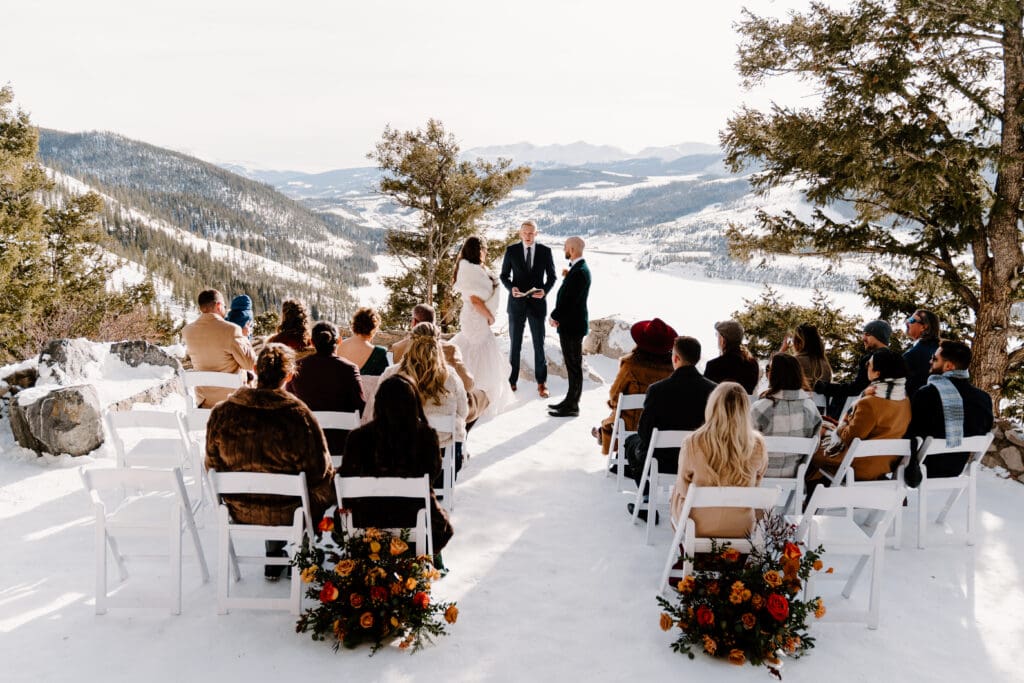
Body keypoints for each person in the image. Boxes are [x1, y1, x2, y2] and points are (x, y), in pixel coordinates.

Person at [204, 344, 334, 579]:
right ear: (290, 375)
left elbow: (211, 466)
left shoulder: (221, 413)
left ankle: (273, 554)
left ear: (254, 368)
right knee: (325, 484)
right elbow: (319, 470)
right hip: (290, 511)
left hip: (240, 509)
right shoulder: (299, 415)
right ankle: (305, 550)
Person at [339, 374, 454, 555]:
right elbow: (433, 473)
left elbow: (345, 476)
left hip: (366, 518)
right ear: (414, 402)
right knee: (440, 522)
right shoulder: (425, 436)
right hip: (412, 517)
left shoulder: (358, 437)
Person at [624, 336, 717, 517]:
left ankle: (646, 498)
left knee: (631, 442)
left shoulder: (657, 390)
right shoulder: (713, 390)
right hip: (698, 461)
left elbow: (644, 432)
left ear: (675, 358)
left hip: (661, 461)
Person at [669, 382, 768, 537]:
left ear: (712, 405)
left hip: (696, 526)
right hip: (742, 527)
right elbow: (756, 482)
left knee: (677, 489)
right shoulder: (758, 445)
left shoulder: (693, 442)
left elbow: (683, 489)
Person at [808, 348, 911, 483]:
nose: (866, 366)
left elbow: (849, 437)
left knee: (810, 449)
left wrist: (835, 428)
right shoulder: (904, 400)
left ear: (877, 373)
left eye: (869, 364)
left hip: (857, 466)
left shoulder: (869, 403)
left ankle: (812, 496)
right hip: (883, 465)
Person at [380, 324, 468, 471]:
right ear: (438, 344)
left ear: (410, 342)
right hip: (440, 461)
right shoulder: (451, 376)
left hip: (398, 459)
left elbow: (378, 411)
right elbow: (463, 412)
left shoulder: (391, 374)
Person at [391, 303, 491, 428]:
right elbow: (468, 385)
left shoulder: (398, 348)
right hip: (442, 411)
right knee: (481, 397)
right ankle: (460, 440)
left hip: (410, 409)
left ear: (414, 323)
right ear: (434, 323)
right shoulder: (450, 349)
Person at [905, 339, 993, 479]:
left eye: (934, 359)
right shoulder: (983, 398)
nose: (930, 362)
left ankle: (896, 497)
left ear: (948, 366)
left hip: (922, 468)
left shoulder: (927, 394)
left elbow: (911, 432)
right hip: (956, 468)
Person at [593, 317, 676, 455]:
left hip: (632, 425)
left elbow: (615, 394)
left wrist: (613, 405)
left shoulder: (631, 364)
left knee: (614, 418)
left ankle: (605, 436)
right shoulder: (672, 369)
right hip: (660, 427)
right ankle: (603, 433)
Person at [451, 236, 513, 417]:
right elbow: (476, 300)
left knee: (473, 348)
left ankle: (471, 390)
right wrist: (490, 316)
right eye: (484, 249)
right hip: (476, 316)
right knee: (477, 348)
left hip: (475, 315)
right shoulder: (471, 270)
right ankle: (475, 392)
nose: (486, 252)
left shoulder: (475, 269)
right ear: (479, 251)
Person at [285, 321, 366, 457]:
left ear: (312, 342)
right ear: (339, 341)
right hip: (342, 445)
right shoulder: (349, 368)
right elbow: (360, 405)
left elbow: (290, 402)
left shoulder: (298, 367)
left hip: (309, 444)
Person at [500, 219, 557, 397]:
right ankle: (512, 380)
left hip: (537, 305)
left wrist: (544, 291)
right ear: (520, 233)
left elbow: (552, 277)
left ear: (536, 234)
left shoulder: (545, 251)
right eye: (525, 233)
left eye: (531, 233)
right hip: (516, 304)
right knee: (515, 344)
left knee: (539, 345)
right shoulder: (511, 251)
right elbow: (503, 276)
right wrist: (512, 288)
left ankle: (542, 383)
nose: (528, 236)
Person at [181, 288, 257, 407]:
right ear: (218, 305)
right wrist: (244, 337)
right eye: (225, 306)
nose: (226, 310)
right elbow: (249, 364)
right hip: (232, 402)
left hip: (204, 403)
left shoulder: (187, 331)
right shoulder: (232, 330)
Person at [751, 353, 822, 477]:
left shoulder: (760, 409)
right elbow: (814, 448)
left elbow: (745, 447)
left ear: (775, 375)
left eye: (769, 369)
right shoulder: (810, 409)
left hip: (760, 481)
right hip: (794, 483)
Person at [548, 236, 592, 417]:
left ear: (572, 249)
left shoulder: (580, 271)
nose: (564, 249)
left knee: (574, 365)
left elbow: (570, 300)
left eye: (565, 247)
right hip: (570, 324)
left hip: (572, 326)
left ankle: (573, 404)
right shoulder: (578, 269)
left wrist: (554, 316)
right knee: (572, 365)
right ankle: (569, 400)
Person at [815, 319, 891, 419]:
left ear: (879, 336)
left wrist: (825, 387)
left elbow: (856, 389)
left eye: (867, 334)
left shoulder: (871, 359)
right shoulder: (894, 358)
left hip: (869, 412)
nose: (863, 338)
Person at [339, 306, 389, 422]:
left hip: (341, 409)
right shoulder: (379, 353)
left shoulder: (338, 348)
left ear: (354, 325)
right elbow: (385, 386)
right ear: (374, 329)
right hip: (369, 415)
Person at [704, 320, 759, 394]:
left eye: (718, 335)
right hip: (744, 405)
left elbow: (706, 396)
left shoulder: (714, 365)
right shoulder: (752, 364)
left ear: (722, 339)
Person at [903, 309, 940, 396]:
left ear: (924, 327)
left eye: (911, 320)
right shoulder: (943, 351)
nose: (907, 323)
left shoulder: (912, 354)